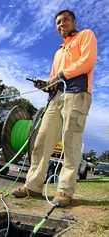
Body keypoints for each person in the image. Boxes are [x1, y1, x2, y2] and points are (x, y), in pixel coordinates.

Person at [12, 9, 97, 207]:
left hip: (78, 93)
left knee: (71, 142)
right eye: (58, 22)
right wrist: (46, 85)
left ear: (74, 21)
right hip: (56, 97)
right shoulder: (58, 51)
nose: (61, 24)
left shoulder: (86, 35)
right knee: (41, 141)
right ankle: (33, 186)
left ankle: (65, 192)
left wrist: (60, 77)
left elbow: (87, 62)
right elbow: (55, 79)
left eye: (65, 20)